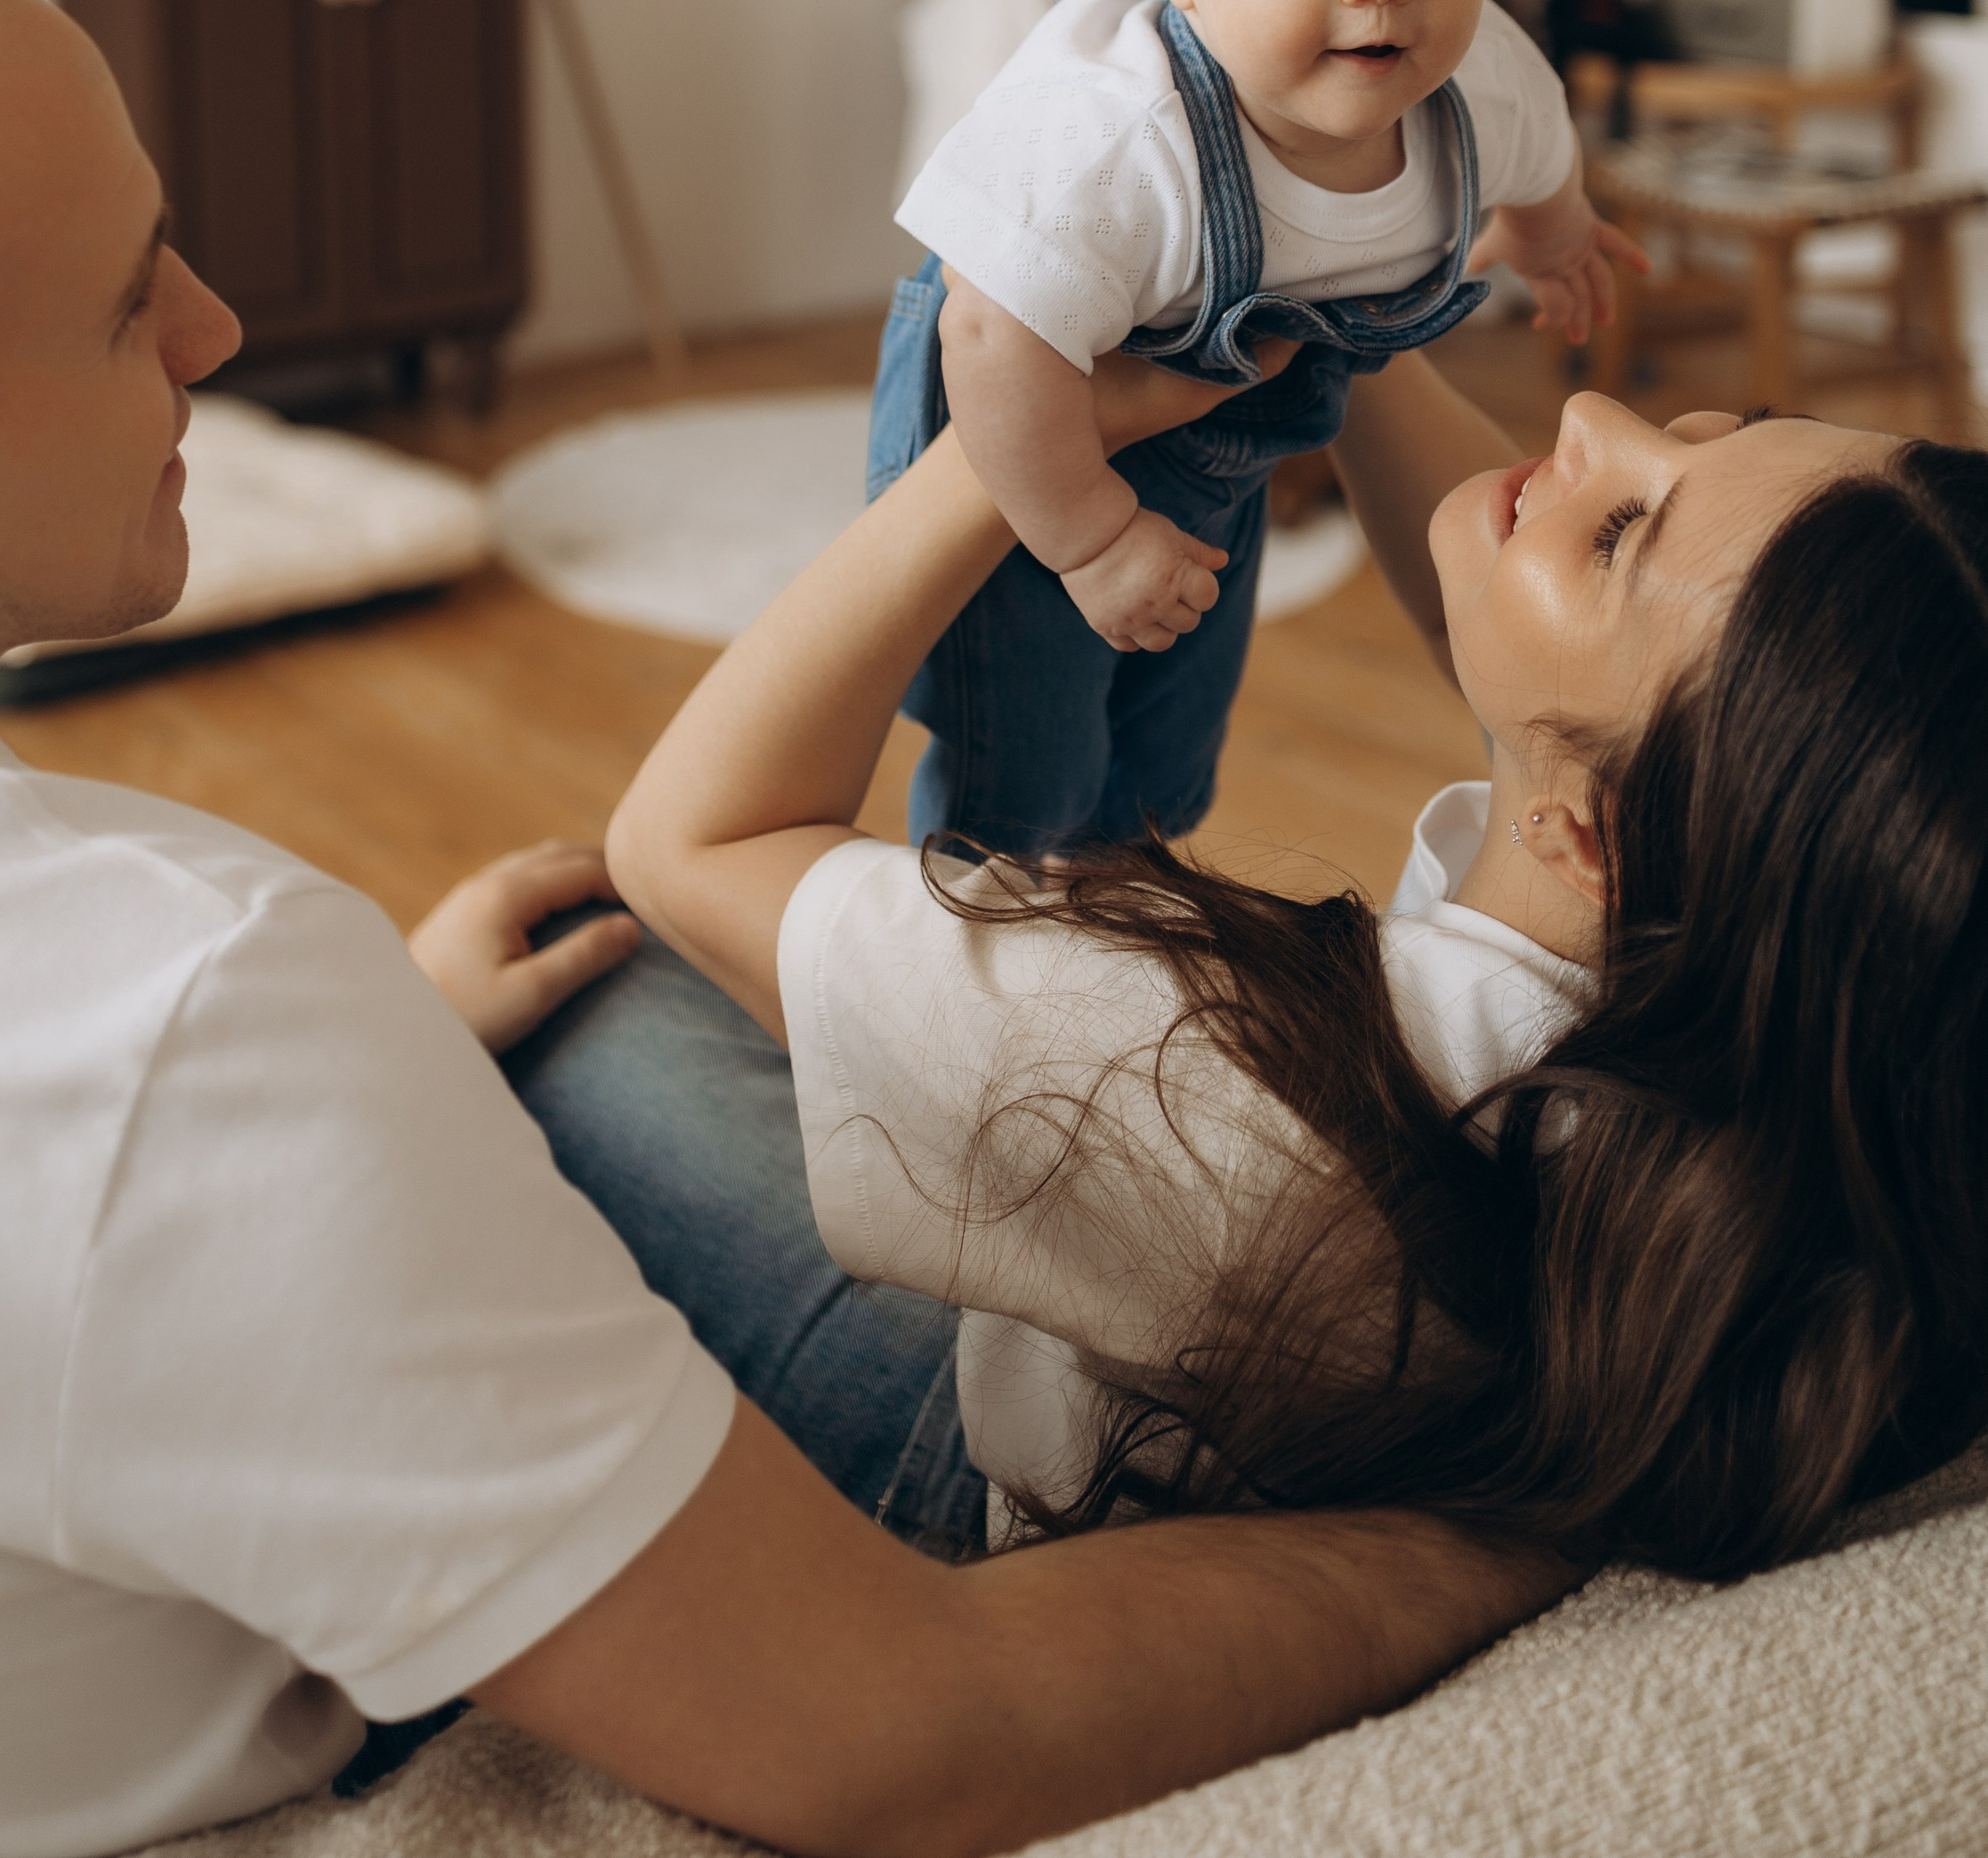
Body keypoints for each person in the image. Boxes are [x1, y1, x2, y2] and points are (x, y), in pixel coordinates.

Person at [0, 0, 1563, 1858]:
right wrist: (1522, 1526)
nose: (212, 329)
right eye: (119, 306)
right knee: (633, 969)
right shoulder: (165, 1013)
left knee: (600, 971)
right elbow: (903, 1735)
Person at [578, 344, 1988, 1579]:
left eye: (1620, 531)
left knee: (586, 966)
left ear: (1603, 842)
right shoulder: (1806, 1004)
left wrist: (1012, 457)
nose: (1594, 410)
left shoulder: (1234, 1084)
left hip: (975, 1458)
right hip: (1251, 1321)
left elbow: (689, 840)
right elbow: (1529, 664)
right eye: (1714, 428)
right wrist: (1345, 328)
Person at [872, 0, 1643, 856]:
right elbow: (986, 331)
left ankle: (1127, 896)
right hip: (1025, 412)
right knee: (1025, 759)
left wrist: (1556, 239)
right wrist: (1088, 535)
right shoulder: (1123, 131)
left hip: (1224, 444)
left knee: (1168, 749)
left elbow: (1542, 160)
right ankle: (982, 929)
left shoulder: (1482, 77)